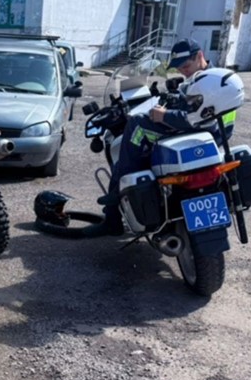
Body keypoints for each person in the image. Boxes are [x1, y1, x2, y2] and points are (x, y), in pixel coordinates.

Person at [93, 39, 237, 235]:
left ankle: (117, 196)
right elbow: (198, 110)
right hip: (213, 135)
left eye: (186, 66)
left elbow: (196, 118)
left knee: (136, 127)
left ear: (200, 56)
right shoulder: (214, 78)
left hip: (201, 132)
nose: (184, 72)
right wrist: (176, 96)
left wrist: (164, 115)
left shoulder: (208, 82)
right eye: (179, 68)